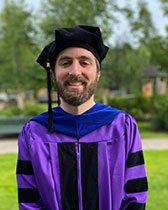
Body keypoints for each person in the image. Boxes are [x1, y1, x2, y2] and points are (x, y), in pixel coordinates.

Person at [16, 25, 148, 210]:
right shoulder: (34, 132)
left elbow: (135, 197)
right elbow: (30, 202)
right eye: (65, 62)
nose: (75, 72)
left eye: (84, 62)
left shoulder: (122, 127)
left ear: (98, 73)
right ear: (53, 73)